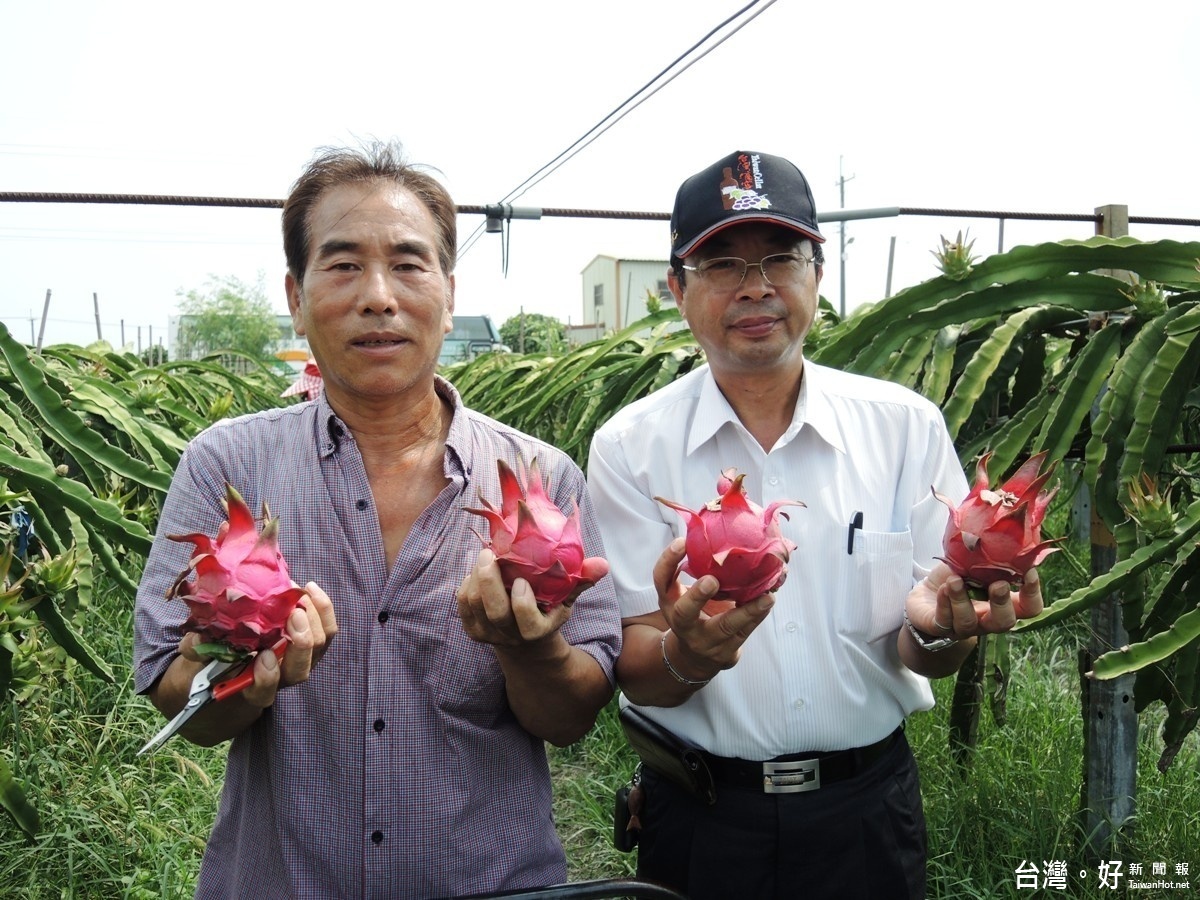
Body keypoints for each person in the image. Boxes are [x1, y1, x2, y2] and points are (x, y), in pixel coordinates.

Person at [133, 142, 621, 899]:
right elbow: (175, 691)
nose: (379, 296)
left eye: (408, 263)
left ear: (449, 293)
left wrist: (528, 651)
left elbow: (571, 717)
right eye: (342, 265)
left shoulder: (541, 480)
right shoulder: (224, 468)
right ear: (295, 296)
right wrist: (241, 679)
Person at [587, 150, 1045, 900]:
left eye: (780, 258)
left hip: (865, 814)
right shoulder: (631, 449)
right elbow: (632, 661)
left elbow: (925, 646)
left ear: (817, 276)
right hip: (701, 817)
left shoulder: (903, 429)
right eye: (723, 264)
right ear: (677, 289)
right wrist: (688, 653)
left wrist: (940, 632)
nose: (757, 286)